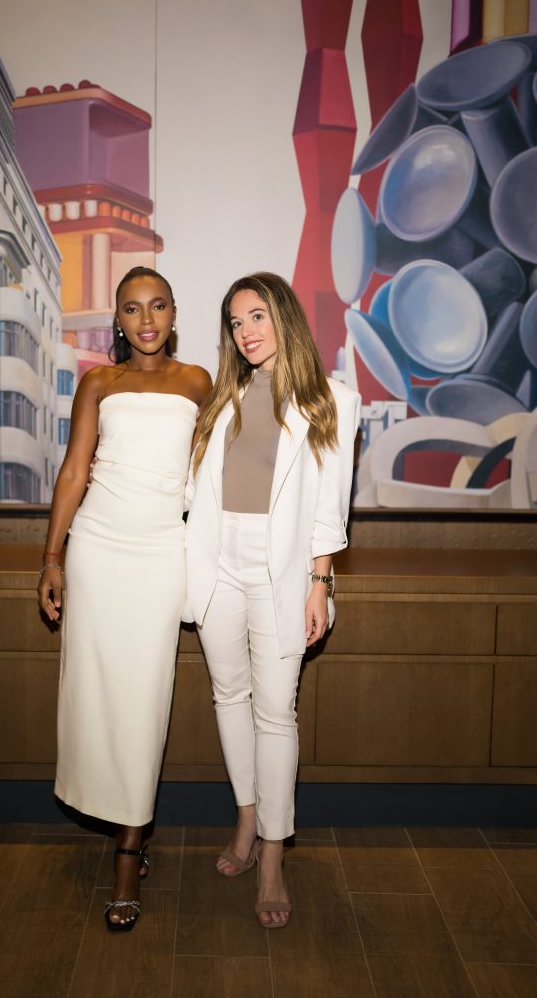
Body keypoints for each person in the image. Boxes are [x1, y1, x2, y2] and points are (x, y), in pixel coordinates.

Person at [37, 266, 211, 932]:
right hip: (98, 550)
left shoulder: (198, 382)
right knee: (94, 694)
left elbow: (213, 478)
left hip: (162, 554)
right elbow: (74, 471)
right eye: (132, 309)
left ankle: (130, 850)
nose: (146, 319)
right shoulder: (98, 383)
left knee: (146, 699)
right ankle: (123, 832)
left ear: (174, 313)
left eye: (157, 306)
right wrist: (52, 558)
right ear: (117, 320)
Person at [185, 272, 360, 929]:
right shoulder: (222, 399)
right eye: (235, 322)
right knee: (228, 697)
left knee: (275, 713)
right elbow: (194, 494)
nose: (246, 332)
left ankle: (273, 857)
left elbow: (330, 508)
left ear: (283, 316)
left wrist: (320, 582)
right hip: (217, 564)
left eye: (256, 316)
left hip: (282, 567)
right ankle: (245, 821)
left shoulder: (333, 400)